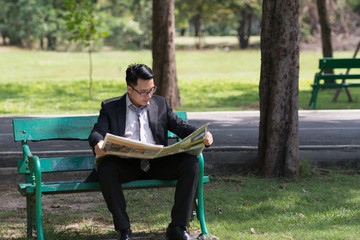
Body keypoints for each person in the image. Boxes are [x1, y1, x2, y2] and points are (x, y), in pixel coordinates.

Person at [87, 63, 214, 240]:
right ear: (129, 89)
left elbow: (180, 127)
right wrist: (98, 143)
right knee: (106, 168)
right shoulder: (111, 107)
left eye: (152, 89)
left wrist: (202, 135)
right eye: (144, 92)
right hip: (126, 165)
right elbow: (97, 131)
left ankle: (178, 227)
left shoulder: (160, 104)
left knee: (191, 163)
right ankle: (124, 230)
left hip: (157, 163)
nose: (149, 96)